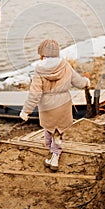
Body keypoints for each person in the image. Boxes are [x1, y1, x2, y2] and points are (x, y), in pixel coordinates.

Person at [19, 39, 90, 171]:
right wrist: (86, 82)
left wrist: (26, 111)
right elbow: (78, 82)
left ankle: (54, 156)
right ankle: (54, 154)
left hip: (47, 106)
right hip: (63, 103)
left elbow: (34, 93)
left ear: (42, 54)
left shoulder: (39, 70)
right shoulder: (65, 66)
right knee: (58, 131)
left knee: (49, 128)